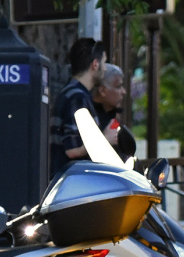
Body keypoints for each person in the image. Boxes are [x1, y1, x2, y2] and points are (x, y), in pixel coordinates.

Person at [50, 38, 119, 176]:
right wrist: (105, 138)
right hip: (72, 184)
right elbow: (73, 150)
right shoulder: (77, 98)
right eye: (104, 63)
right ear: (95, 64)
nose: (105, 68)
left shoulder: (71, 93)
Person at [92, 64, 137, 161]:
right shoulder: (90, 119)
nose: (123, 91)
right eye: (118, 86)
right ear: (103, 90)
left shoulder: (112, 116)